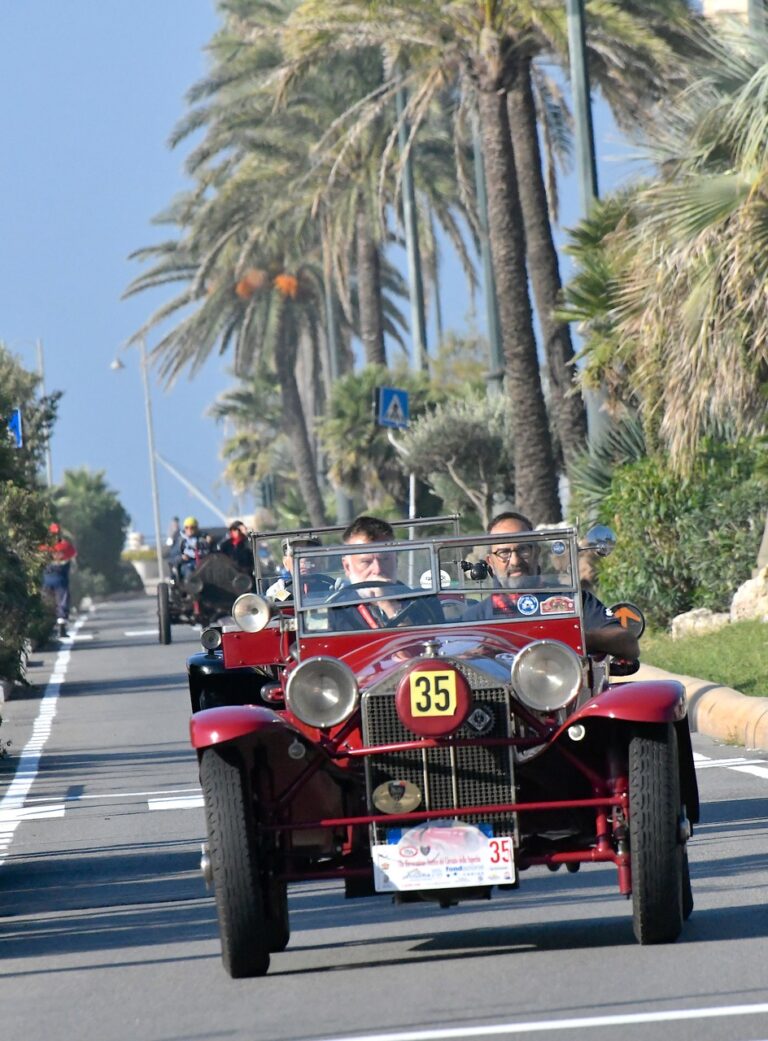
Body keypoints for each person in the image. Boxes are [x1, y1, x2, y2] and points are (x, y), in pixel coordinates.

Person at [463, 512, 640, 659]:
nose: (515, 561)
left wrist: (568, 638)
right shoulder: (474, 619)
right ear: (491, 561)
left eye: (523, 549)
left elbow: (628, 644)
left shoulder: (572, 600)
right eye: (504, 552)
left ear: (536, 552)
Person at [328, 516, 442, 629]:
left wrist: (390, 605)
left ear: (395, 561)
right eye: (366, 562)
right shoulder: (339, 610)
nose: (377, 569)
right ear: (347, 567)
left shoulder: (424, 602)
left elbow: (419, 640)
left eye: (385, 559)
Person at [265, 535, 334, 601]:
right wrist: (278, 595)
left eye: (310, 553)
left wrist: (339, 592)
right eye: (295, 554)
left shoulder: (332, 589)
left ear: (321, 561)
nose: (304, 559)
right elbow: (273, 603)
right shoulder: (281, 591)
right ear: (286, 563)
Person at [40, 523, 77, 637]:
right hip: (61, 580)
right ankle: (61, 628)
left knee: (47, 603)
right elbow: (73, 556)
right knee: (62, 603)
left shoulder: (44, 547)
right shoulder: (66, 546)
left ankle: (48, 628)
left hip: (46, 579)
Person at [171, 516, 210, 581]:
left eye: (192, 527)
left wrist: (208, 542)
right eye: (187, 527)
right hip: (187, 563)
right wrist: (181, 557)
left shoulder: (203, 538)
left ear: (196, 528)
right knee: (189, 572)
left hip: (202, 562)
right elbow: (173, 557)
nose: (189, 530)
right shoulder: (181, 541)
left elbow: (210, 552)